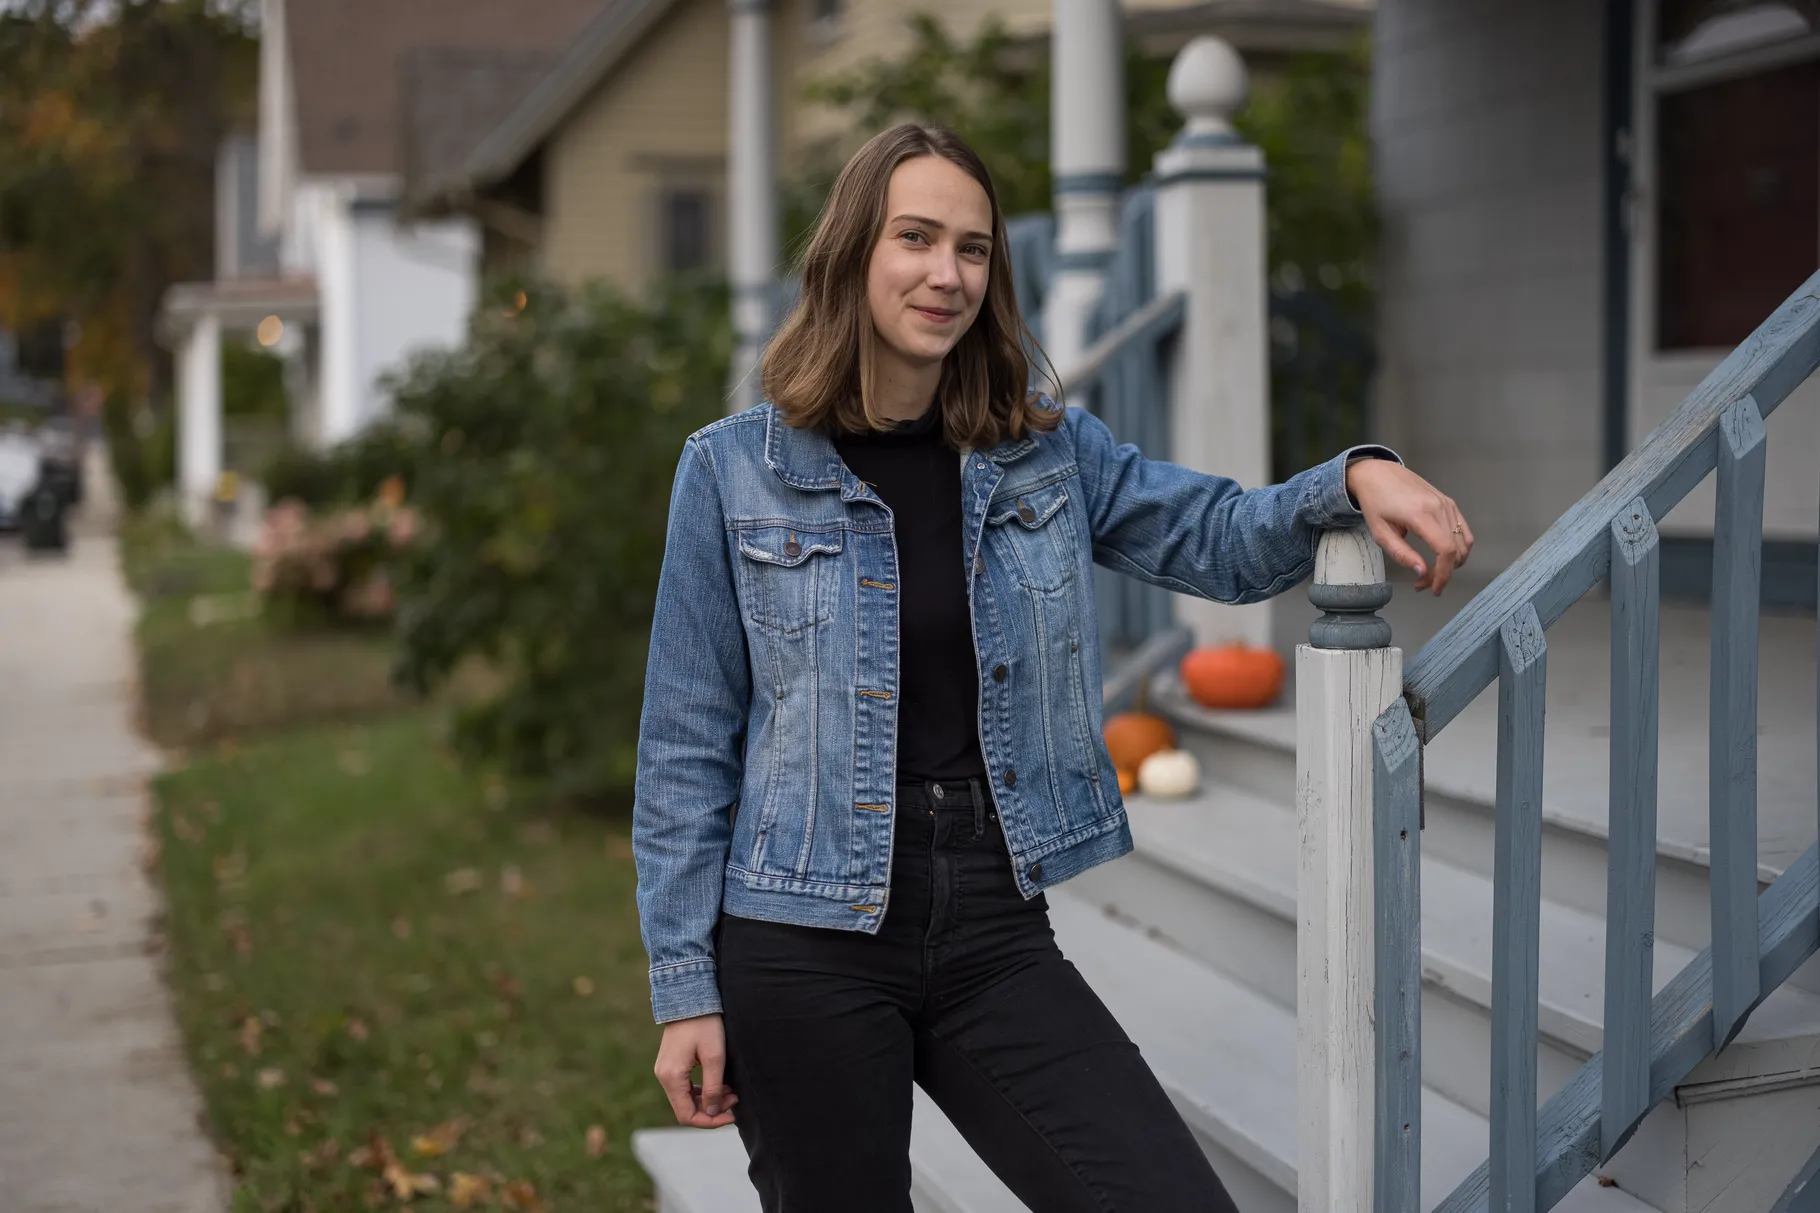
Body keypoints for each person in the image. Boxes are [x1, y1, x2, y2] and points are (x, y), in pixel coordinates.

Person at [633, 124, 1472, 1212]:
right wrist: (684, 987)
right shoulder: (731, 470)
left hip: (989, 919)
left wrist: (1351, 475)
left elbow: (1212, 535)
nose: (947, 274)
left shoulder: (1040, 451)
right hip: (801, 937)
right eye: (916, 238)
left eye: (973, 249)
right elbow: (686, 744)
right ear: (850, 255)